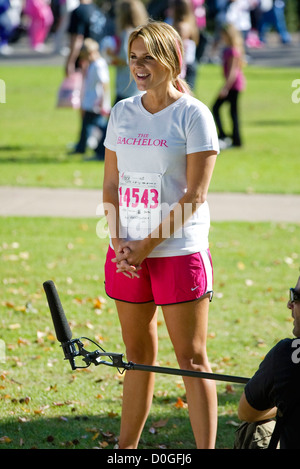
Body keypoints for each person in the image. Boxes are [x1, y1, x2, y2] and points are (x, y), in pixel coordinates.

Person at [102, 21, 219, 449]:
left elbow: (195, 195)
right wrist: (119, 243)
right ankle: (125, 450)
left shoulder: (194, 114)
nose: (139, 65)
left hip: (177, 251)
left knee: (190, 360)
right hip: (127, 253)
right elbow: (111, 185)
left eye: (148, 56)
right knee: (137, 359)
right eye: (134, 57)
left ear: (171, 59)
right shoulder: (122, 112)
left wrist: (146, 245)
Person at [238, 276, 300, 449]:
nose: (289, 304)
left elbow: (247, 413)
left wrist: (283, 401)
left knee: (256, 428)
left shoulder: (287, 354)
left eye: (294, 297)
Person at [73, 38, 111, 159]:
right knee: (87, 126)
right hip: (89, 101)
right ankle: (82, 146)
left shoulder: (99, 65)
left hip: (95, 102)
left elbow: (104, 84)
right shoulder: (92, 65)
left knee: (97, 126)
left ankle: (92, 147)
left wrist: (103, 102)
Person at [105, 0, 148, 103]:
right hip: (140, 87)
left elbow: (127, 60)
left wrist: (110, 55)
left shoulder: (128, 33)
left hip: (126, 88)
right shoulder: (142, 33)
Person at [212, 23, 246, 148]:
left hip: (233, 85)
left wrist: (225, 87)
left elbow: (233, 71)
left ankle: (226, 136)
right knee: (232, 112)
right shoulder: (228, 49)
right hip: (232, 84)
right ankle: (234, 139)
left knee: (217, 108)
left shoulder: (232, 50)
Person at [65, 0, 109, 76]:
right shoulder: (97, 10)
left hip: (83, 60)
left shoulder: (78, 11)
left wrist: (70, 62)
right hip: (97, 58)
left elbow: (77, 39)